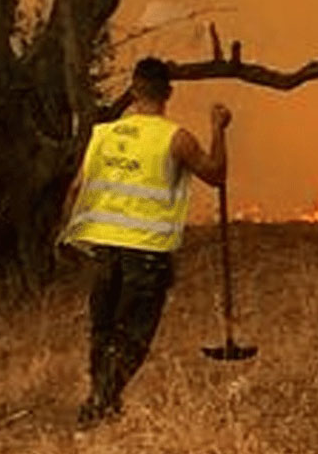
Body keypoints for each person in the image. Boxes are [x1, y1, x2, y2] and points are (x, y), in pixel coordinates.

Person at [61, 56, 231, 430]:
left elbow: (76, 189)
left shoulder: (103, 135)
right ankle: (101, 402)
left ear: (133, 90)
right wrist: (217, 128)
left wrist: (69, 240)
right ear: (168, 93)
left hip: (104, 251)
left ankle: (102, 399)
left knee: (103, 330)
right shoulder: (176, 138)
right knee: (134, 333)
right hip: (147, 253)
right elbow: (216, 174)